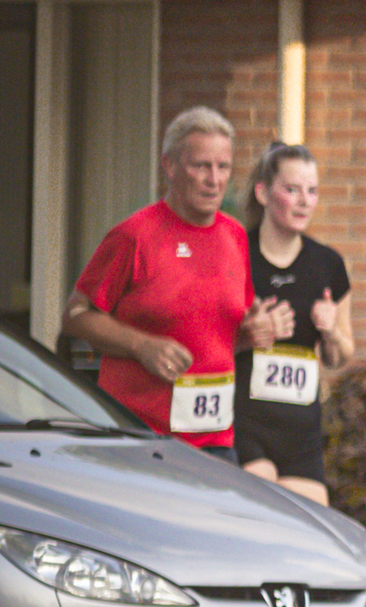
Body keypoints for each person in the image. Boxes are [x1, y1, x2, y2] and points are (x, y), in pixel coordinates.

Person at [63, 107, 285, 450]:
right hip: (140, 436)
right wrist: (141, 345)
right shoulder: (135, 235)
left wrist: (255, 332)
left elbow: (221, 336)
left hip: (215, 439)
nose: (214, 179)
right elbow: (76, 317)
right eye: (201, 166)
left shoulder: (235, 236)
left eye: (223, 167)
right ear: (169, 166)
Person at [234, 142, 354, 503]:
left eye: (312, 191)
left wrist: (331, 331)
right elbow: (201, 342)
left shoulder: (328, 264)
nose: (304, 201)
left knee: (311, 524)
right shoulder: (236, 254)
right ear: (263, 193)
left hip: (301, 434)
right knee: (264, 512)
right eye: (292, 189)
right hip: (244, 423)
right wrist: (249, 333)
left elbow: (341, 356)